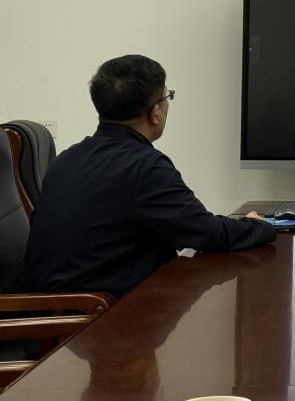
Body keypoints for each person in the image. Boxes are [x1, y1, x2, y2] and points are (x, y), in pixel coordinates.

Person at [25, 55, 276, 298]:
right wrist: (258, 225)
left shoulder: (67, 158)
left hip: (54, 308)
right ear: (155, 113)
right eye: (167, 96)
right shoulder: (145, 167)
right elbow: (207, 234)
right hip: (99, 314)